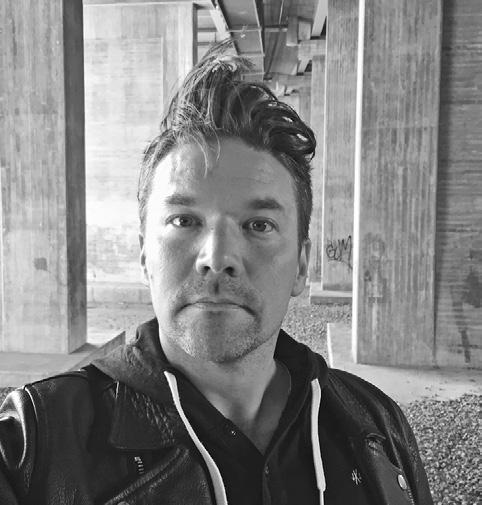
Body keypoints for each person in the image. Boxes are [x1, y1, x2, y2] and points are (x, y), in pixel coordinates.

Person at [0, 43, 432, 505]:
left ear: (302, 266)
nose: (217, 256)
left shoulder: (375, 424)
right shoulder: (35, 443)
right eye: (184, 220)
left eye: (258, 225)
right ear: (144, 254)